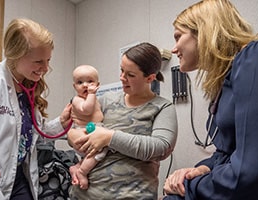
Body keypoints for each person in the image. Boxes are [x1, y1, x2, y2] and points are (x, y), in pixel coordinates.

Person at [162, 0, 258, 199]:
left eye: (178, 37)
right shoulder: (226, 79)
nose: (174, 49)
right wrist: (202, 168)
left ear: (204, 31)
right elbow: (226, 151)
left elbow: (251, 172)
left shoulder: (256, 57)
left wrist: (189, 185)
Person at [0, 18, 71, 200]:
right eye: (39, 61)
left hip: (18, 179)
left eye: (48, 60)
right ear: (15, 55)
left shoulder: (26, 86)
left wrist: (62, 122)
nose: (46, 68)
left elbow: (29, 133)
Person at [68, 42, 178, 199]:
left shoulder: (162, 107)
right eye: (121, 70)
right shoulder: (105, 100)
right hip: (84, 194)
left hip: (132, 195)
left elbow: (161, 148)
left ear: (150, 78)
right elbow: (80, 125)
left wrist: (110, 137)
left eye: (130, 75)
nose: (122, 78)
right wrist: (72, 136)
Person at [69, 64, 107, 190]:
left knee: (91, 155)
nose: (85, 85)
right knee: (100, 152)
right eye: (80, 82)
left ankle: (78, 166)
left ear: (98, 84)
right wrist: (91, 94)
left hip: (94, 129)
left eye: (90, 81)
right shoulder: (77, 99)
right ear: (74, 86)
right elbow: (86, 110)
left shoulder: (97, 98)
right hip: (84, 133)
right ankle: (82, 172)